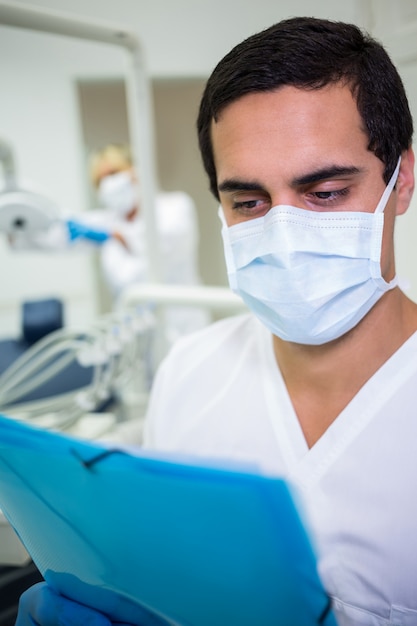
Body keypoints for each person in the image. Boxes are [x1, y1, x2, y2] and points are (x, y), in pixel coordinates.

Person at [15, 16, 417, 626]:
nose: (282, 233)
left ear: (402, 179)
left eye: (326, 192)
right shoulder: (191, 373)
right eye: (248, 202)